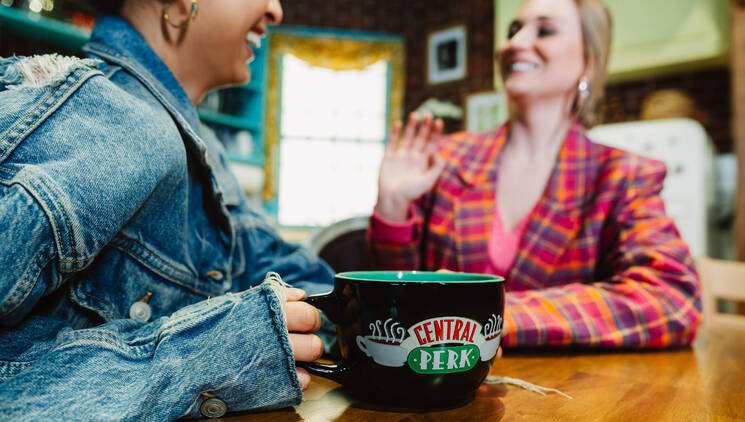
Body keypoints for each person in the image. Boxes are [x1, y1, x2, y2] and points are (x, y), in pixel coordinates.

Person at [0, 0, 333, 419]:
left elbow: (298, 285)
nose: (276, 10)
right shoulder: (119, 123)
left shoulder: (201, 149)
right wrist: (206, 355)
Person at [370, 0, 702, 348]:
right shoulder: (446, 159)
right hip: (439, 389)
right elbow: (389, 310)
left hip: (571, 396)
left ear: (588, 61)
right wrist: (392, 208)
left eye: (545, 30)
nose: (514, 43)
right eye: (514, 30)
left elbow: (673, 298)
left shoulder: (622, 176)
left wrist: (495, 314)